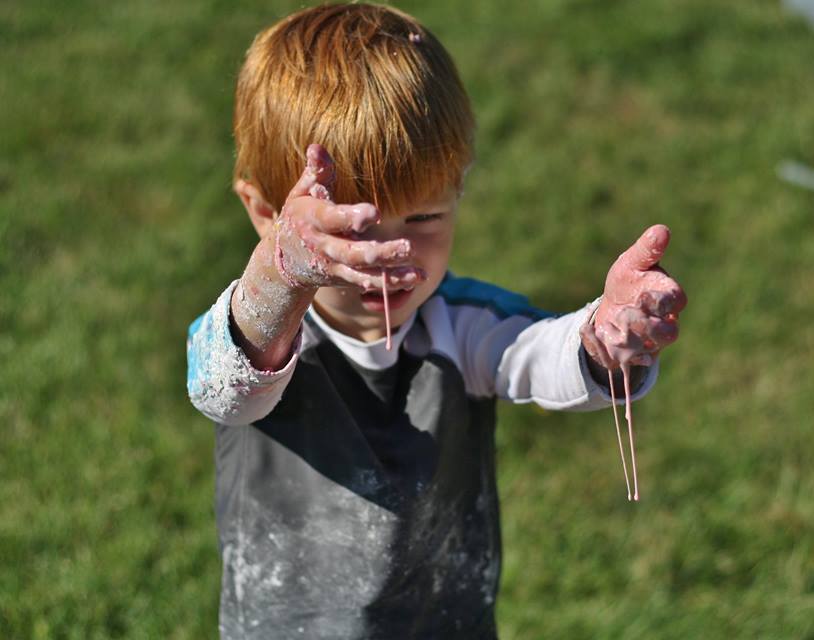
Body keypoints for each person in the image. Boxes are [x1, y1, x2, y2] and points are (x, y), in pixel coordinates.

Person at [186, 4, 686, 638]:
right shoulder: (257, 333)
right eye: (357, 231)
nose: (395, 256)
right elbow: (217, 389)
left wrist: (606, 338)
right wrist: (277, 281)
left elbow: (541, 352)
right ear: (265, 214)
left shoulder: (460, 323)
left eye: (424, 220)